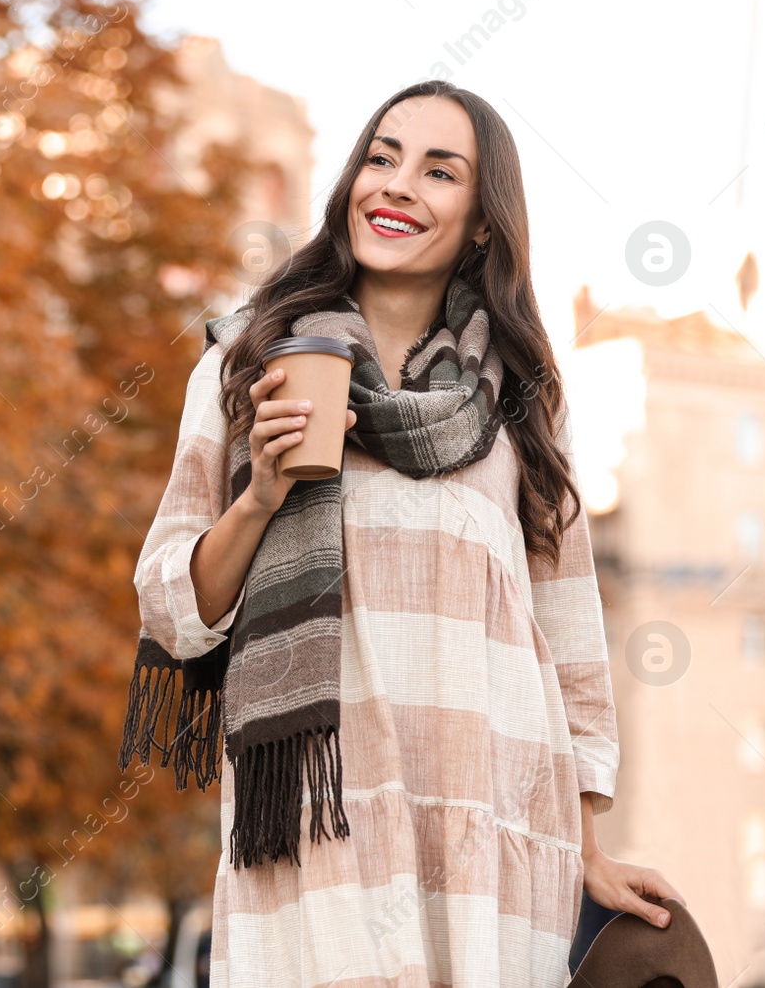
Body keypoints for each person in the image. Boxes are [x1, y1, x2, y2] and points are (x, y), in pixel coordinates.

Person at [127, 79, 682, 986]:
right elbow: (172, 609)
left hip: (494, 826)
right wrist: (261, 493)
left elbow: (570, 634)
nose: (395, 185)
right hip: (315, 823)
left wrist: (588, 849)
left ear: (482, 223)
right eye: (380, 157)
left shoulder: (522, 398)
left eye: (437, 170)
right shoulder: (246, 365)